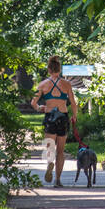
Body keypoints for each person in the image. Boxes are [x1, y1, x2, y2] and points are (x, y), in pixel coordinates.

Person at [31, 57, 78, 188]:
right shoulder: (67, 84)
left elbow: (33, 102)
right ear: (60, 69)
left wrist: (39, 108)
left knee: (50, 147)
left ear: (49, 69)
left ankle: (49, 163)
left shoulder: (43, 84)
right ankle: (58, 180)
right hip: (62, 116)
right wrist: (74, 116)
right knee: (61, 151)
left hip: (50, 116)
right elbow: (73, 103)